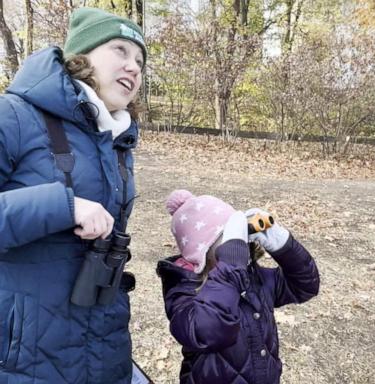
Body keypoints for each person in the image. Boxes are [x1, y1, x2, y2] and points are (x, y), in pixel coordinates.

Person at [0, 7, 146, 384]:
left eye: (140, 61)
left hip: (104, 348)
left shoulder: (118, 142)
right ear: (81, 56)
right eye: (120, 50)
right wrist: (62, 206)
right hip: (24, 358)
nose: (133, 67)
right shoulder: (13, 116)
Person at [157, 189, 320, 384]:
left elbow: (305, 286)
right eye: (230, 237)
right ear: (201, 249)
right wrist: (231, 265)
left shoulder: (252, 277)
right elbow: (208, 331)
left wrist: (284, 246)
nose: (241, 241)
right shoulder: (183, 290)